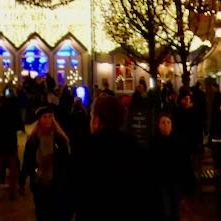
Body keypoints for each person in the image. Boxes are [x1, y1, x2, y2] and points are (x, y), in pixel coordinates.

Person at [72, 93, 156, 221]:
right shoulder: (134, 149)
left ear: (96, 120)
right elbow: (147, 194)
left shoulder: (85, 149)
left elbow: (72, 193)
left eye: (91, 116)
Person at [19, 106, 72, 221]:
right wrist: (22, 180)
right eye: (45, 117)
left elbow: (66, 161)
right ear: (39, 120)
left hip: (56, 182)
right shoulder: (33, 139)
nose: (48, 120)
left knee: (55, 211)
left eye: (50, 117)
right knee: (41, 211)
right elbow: (27, 160)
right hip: (39, 181)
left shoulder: (59, 138)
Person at [148, 111, 194, 221]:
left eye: (168, 122)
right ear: (158, 125)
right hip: (161, 181)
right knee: (165, 210)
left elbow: (184, 163)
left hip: (175, 181)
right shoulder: (154, 142)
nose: (166, 125)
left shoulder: (178, 141)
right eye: (163, 122)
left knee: (174, 209)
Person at [0, 92, 20, 201]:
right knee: (13, 170)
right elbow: (17, 126)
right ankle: (12, 194)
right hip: (11, 143)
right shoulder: (12, 112)